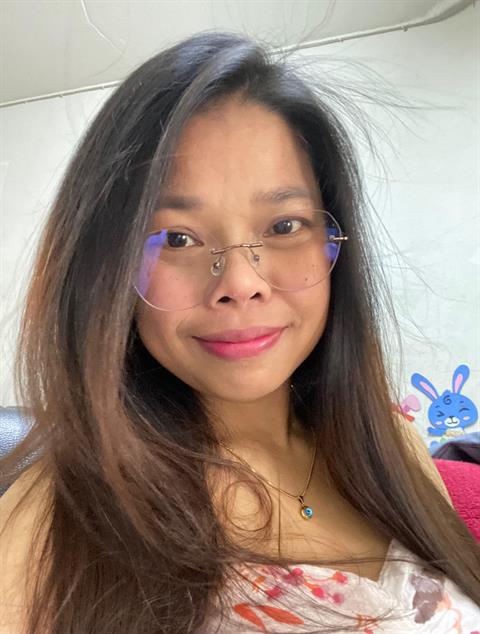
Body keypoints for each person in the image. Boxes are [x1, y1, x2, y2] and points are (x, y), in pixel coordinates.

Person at [0, 31, 478, 634]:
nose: (241, 283)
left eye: (284, 226)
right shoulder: (58, 519)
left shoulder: (392, 446)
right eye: (178, 238)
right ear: (105, 273)